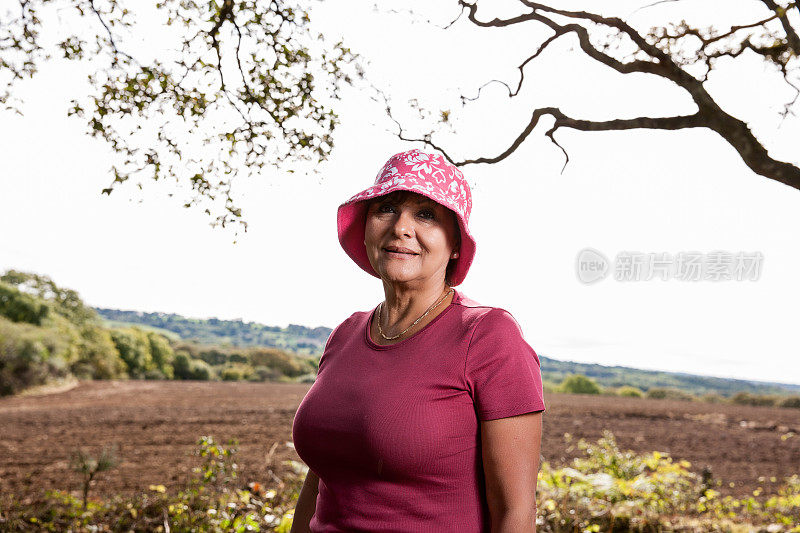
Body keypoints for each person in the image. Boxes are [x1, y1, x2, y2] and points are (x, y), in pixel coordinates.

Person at [291, 149, 546, 532]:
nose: (400, 227)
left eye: (425, 214)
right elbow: (322, 478)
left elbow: (515, 513)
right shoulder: (346, 334)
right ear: (366, 226)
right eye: (386, 209)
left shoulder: (489, 336)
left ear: (456, 243)